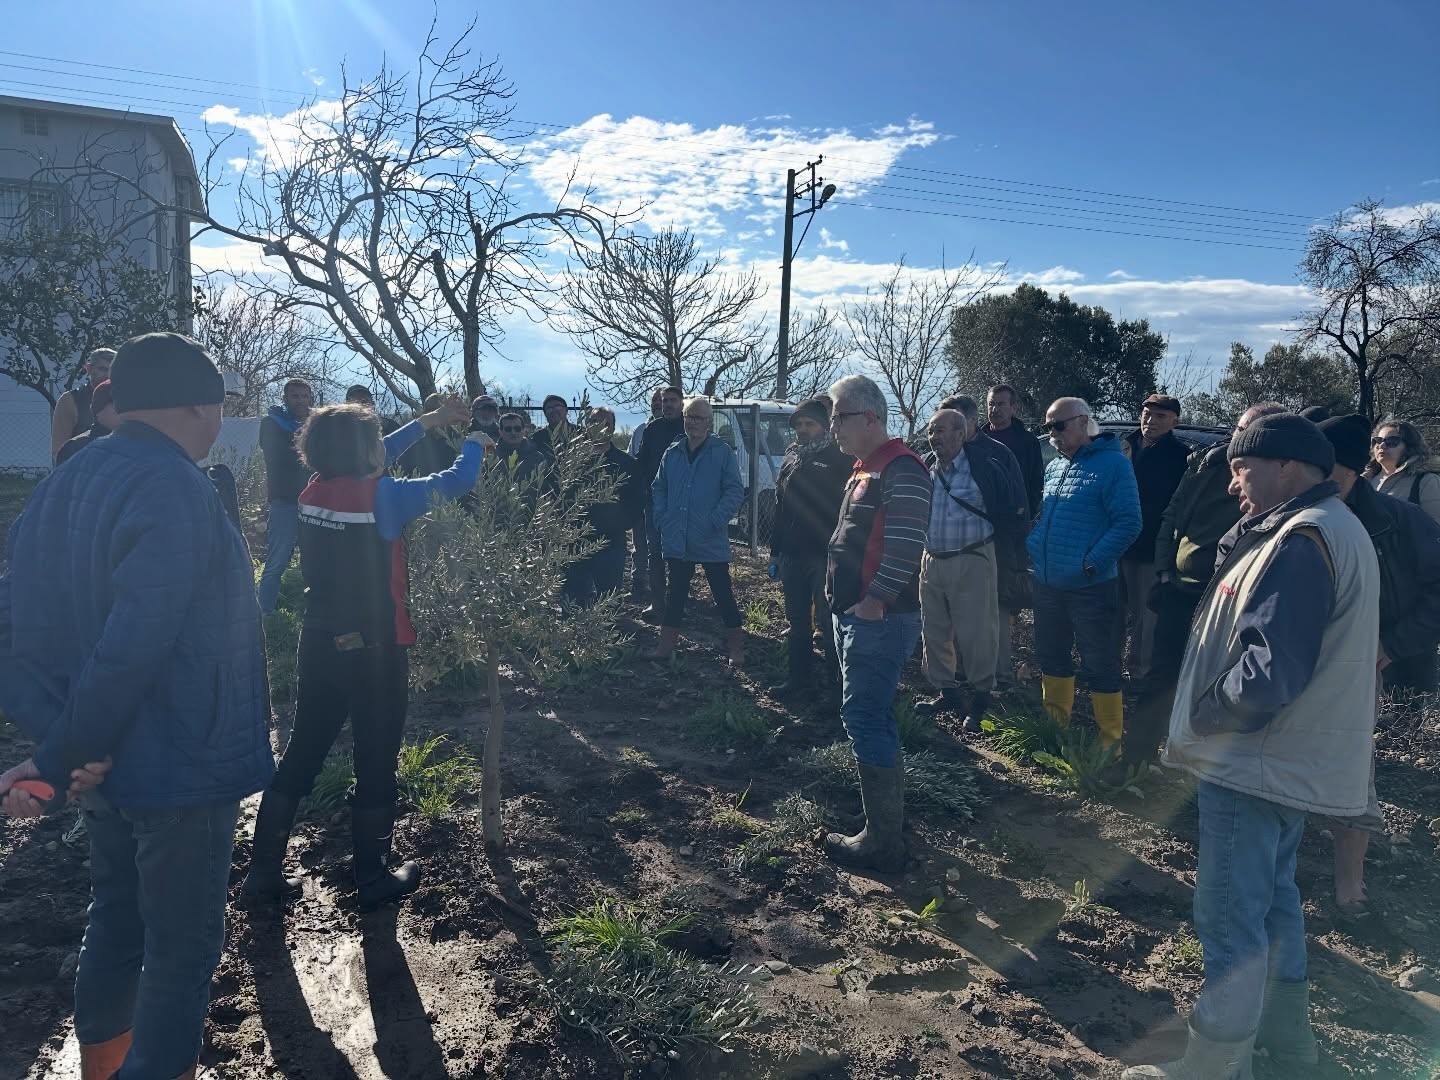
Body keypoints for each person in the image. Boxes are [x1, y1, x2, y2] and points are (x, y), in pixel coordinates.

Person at [0, 332, 273, 1080]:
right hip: (178, 763)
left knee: (116, 920)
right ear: (199, 406)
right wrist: (58, 757)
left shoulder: (68, 476)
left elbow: (15, 619)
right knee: (181, 949)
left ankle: (103, 1068)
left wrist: (63, 743)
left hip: (103, 764)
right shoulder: (177, 487)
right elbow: (136, 643)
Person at [1128, 413, 1379, 1079]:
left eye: (1242, 468)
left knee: (1229, 923)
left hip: (1253, 763)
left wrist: (1207, 715)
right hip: (1286, 763)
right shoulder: (1326, 529)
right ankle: (1287, 1050)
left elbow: (1268, 672)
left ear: (1287, 468)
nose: (1234, 482)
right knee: (1273, 907)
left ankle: (1212, 1066)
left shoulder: (1302, 539)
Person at [242, 396, 483, 910]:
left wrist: (425, 424)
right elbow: (458, 483)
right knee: (376, 758)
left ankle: (262, 873)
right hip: (376, 646)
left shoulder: (314, 489)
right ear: (365, 450)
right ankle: (373, 877)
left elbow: (364, 457)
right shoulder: (386, 498)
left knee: (303, 748)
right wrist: (475, 442)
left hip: (319, 638)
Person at [1318, 414, 1440, 915]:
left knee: (1350, 770)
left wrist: (1394, 642)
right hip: (1295, 661)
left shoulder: (1399, 519)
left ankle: (1350, 886)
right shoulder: (1287, 514)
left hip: (1360, 664)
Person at [1129, 403, 1285, 765]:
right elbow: (1173, 514)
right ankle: (1135, 760)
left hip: (1227, 601)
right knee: (1160, 676)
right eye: (1239, 428)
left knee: (1209, 685)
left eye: (1250, 431)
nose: (1239, 438)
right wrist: (1165, 568)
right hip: (1179, 589)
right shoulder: (1206, 463)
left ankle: (1192, 766)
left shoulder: (1274, 481)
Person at [823, 374, 932, 872]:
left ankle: (882, 843)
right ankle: (881, 822)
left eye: (839, 416)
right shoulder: (863, 469)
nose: (832, 427)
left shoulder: (903, 469)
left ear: (869, 418)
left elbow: (907, 546)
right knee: (866, 716)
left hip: (878, 620)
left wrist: (875, 602)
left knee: (866, 716)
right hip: (856, 615)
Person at [1027, 397, 1140, 747]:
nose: (1052, 433)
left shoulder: (1114, 465)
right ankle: (1055, 729)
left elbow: (1129, 522)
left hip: (1090, 586)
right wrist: (1033, 545)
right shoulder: (1056, 467)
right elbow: (1046, 514)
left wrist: (1091, 563)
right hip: (1047, 582)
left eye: (1058, 425)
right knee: (1051, 653)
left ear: (1083, 422)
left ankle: (1110, 742)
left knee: (1100, 662)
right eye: (1047, 427)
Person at [915, 400, 1030, 732]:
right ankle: (946, 692)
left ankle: (981, 696)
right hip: (932, 560)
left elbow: (1013, 510)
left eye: (942, 430)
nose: (935, 437)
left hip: (974, 558)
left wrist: (1010, 556)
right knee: (934, 631)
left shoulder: (986, 466)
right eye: (931, 430)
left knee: (978, 632)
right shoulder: (925, 467)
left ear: (962, 433)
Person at [646, 396, 746, 664]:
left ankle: (736, 648)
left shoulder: (722, 452)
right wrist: (663, 517)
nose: (694, 423)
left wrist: (716, 520)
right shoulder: (673, 452)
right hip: (677, 536)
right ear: (684, 419)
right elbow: (659, 488)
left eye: (700, 418)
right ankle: (665, 646)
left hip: (710, 537)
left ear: (709, 422)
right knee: (675, 592)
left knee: (722, 593)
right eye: (690, 417)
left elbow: (734, 490)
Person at [767, 396, 853, 700]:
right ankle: (798, 681)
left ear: (824, 425)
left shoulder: (840, 458)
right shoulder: (792, 455)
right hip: (791, 554)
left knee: (829, 626)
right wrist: (775, 550)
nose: (803, 429)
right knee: (797, 622)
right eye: (799, 424)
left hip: (824, 555)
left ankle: (836, 690)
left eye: (810, 423)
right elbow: (781, 506)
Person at [1119, 394, 1191, 684]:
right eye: (1147, 413)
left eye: (1161, 416)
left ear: (1174, 421)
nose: (1151, 421)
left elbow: (1178, 507)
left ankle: (1140, 673)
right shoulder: (1122, 445)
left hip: (1149, 547)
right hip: (1112, 545)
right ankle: (1106, 669)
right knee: (1110, 611)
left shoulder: (1180, 457)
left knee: (1145, 619)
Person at [977, 384, 1044, 683]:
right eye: (992, 403)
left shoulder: (1027, 442)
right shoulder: (977, 438)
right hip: (976, 533)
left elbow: (1033, 486)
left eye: (1002, 404)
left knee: (1004, 596)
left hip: (1010, 534)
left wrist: (1023, 526)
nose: (995, 409)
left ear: (1013, 407)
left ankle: (1003, 669)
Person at [563, 407, 643, 607]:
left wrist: (620, 523)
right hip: (575, 540)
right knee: (573, 600)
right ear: (587, 426)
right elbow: (558, 495)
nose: (601, 428)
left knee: (608, 600)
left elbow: (637, 500)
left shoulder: (626, 464)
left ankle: (606, 638)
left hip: (611, 543)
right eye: (596, 422)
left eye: (606, 424)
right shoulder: (570, 461)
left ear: (614, 428)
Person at [257, 378, 314, 614]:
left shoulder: (317, 424)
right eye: (295, 396)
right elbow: (280, 457)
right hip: (285, 502)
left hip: (315, 503)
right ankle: (262, 616)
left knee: (314, 562)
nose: (300, 401)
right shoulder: (271, 424)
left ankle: (311, 614)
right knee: (277, 562)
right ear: (285, 398)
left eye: (304, 396)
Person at [636, 387, 687, 621]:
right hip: (654, 503)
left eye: (672, 400)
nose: (667, 405)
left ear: (682, 403)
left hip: (683, 505)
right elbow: (642, 462)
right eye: (664, 400)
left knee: (679, 557)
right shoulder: (652, 429)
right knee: (654, 553)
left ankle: (678, 604)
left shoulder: (690, 429)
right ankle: (657, 604)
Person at [628, 387, 665, 601]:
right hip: (642, 496)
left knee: (661, 545)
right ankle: (638, 581)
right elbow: (633, 461)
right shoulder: (641, 429)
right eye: (654, 400)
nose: (657, 404)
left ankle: (662, 585)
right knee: (640, 542)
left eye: (661, 400)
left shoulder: (680, 429)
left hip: (667, 499)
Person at [1367, 417, 1440, 524]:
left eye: (1391, 441)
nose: (1382, 445)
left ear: (1409, 447)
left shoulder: (1427, 481)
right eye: (1377, 441)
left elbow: (1435, 528)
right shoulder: (1364, 480)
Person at [49, 346, 115, 461]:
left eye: (113, 370)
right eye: (103, 369)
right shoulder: (70, 400)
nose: (108, 375)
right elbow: (59, 452)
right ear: (89, 368)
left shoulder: (125, 399)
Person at [54, 379, 119, 465]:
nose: (123, 411)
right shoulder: (74, 449)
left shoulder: (133, 442)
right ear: (98, 409)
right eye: (115, 405)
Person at [397, 392, 463, 477]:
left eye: (440, 410)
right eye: (432, 411)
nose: (436, 415)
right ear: (425, 413)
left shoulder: (457, 438)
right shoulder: (414, 440)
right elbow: (402, 471)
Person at [490, 410, 547, 488]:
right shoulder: (491, 456)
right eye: (508, 429)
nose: (513, 432)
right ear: (500, 432)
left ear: (523, 431)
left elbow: (544, 487)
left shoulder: (537, 458)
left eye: (517, 428)